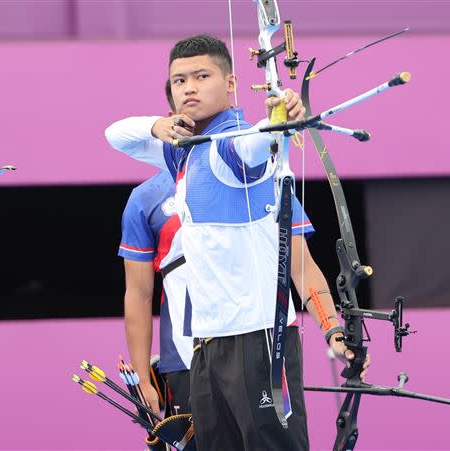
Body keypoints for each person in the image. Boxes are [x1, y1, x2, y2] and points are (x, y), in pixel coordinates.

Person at [105, 34, 370, 450]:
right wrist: (159, 125)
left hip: (259, 339)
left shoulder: (234, 147)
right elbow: (115, 134)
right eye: (179, 80)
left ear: (231, 83)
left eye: (201, 76)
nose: (189, 87)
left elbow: (257, 141)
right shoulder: (183, 152)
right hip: (206, 346)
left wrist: (280, 118)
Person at [119, 82, 192, 419]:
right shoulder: (145, 198)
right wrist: (143, 377)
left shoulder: (247, 176)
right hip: (183, 351)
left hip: (249, 342)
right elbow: (138, 292)